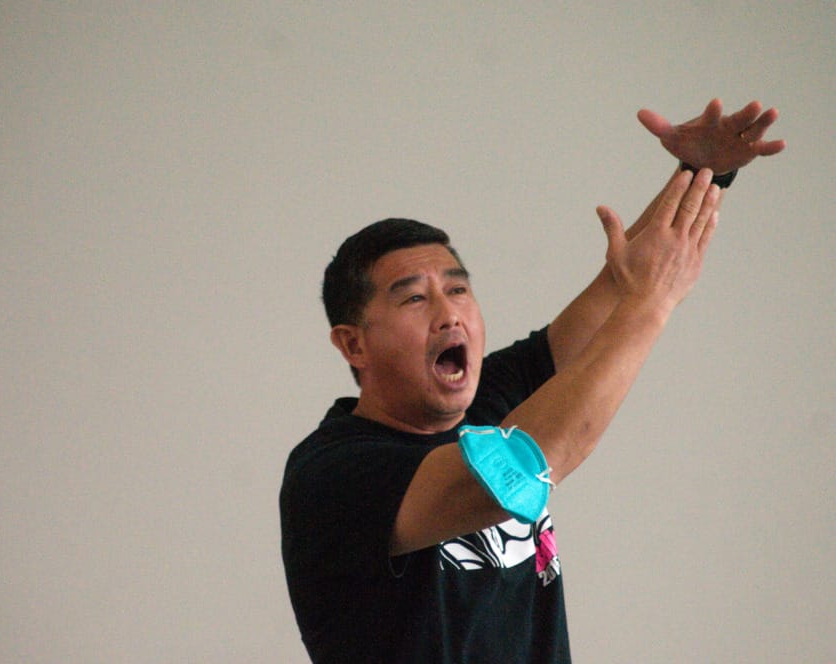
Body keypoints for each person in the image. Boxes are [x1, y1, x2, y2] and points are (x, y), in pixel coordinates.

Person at [280, 100, 784, 663]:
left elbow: (618, 286)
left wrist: (705, 172)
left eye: (458, 289)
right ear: (354, 344)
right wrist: (653, 303)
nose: (449, 315)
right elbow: (520, 471)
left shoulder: (491, 400)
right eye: (415, 298)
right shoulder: (332, 474)